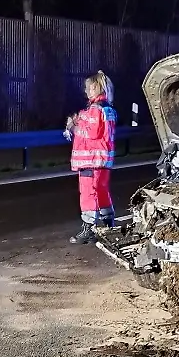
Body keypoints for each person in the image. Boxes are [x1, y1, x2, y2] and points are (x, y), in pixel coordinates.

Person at [64, 70, 118, 244]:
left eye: (89, 88)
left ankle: (88, 229)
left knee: (88, 193)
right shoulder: (106, 109)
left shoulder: (95, 110)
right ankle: (109, 224)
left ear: (97, 88)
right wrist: (78, 120)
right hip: (102, 160)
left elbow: (91, 133)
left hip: (91, 160)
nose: (86, 91)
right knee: (101, 191)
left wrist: (73, 128)